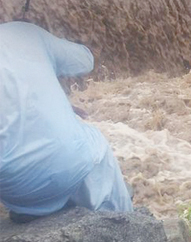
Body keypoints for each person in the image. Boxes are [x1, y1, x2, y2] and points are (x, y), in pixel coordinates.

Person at [0, 22, 132, 222]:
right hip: (71, 167)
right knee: (94, 144)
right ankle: (129, 225)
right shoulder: (25, 31)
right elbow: (85, 60)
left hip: (16, 190)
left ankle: (35, 210)